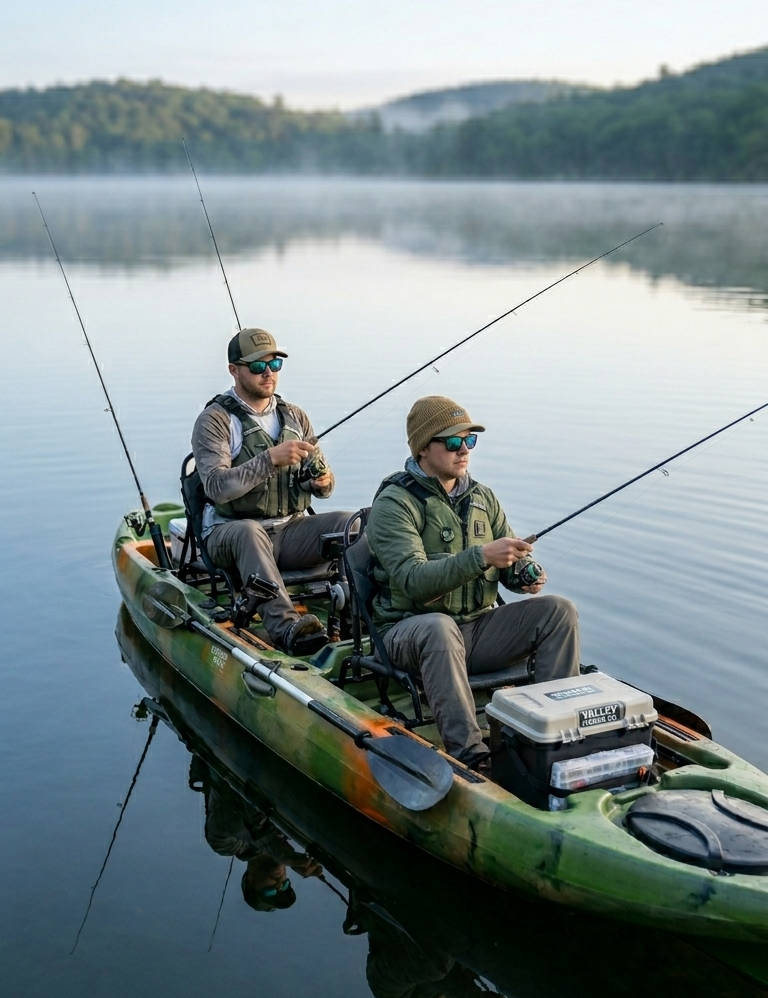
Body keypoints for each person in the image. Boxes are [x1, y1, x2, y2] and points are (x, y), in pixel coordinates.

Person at [366, 395, 580, 768]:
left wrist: (523, 572)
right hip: (408, 633)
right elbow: (413, 581)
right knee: (439, 627)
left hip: (475, 630)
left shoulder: (483, 498)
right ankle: (472, 755)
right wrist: (482, 557)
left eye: (470, 440)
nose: (464, 450)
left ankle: (554, 735)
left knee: (558, 611)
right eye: (453, 441)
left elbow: (508, 563)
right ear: (423, 447)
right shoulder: (394, 503)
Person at [192, 327, 351, 655]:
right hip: (229, 534)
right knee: (249, 532)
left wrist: (320, 483)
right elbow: (217, 488)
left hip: (289, 530)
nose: (268, 373)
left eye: (274, 364)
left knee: (353, 524)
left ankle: (364, 613)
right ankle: (287, 628)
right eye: (257, 366)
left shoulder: (295, 416)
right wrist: (269, 459)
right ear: (234, 370)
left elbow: (325, 484)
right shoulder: (215, 421)